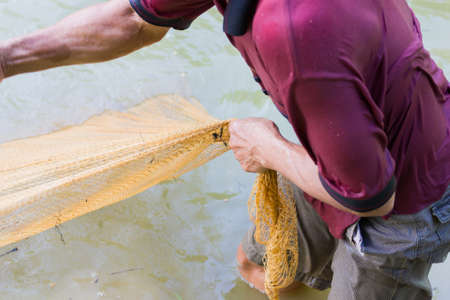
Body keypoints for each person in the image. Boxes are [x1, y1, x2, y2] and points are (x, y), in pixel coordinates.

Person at [0, 0, 449, 299]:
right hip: (336, 147)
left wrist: (266, 148)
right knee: (260, 268)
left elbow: (372, 196)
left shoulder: (292, 29)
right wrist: (6, 59)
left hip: (406, 202)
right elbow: (131, 22)